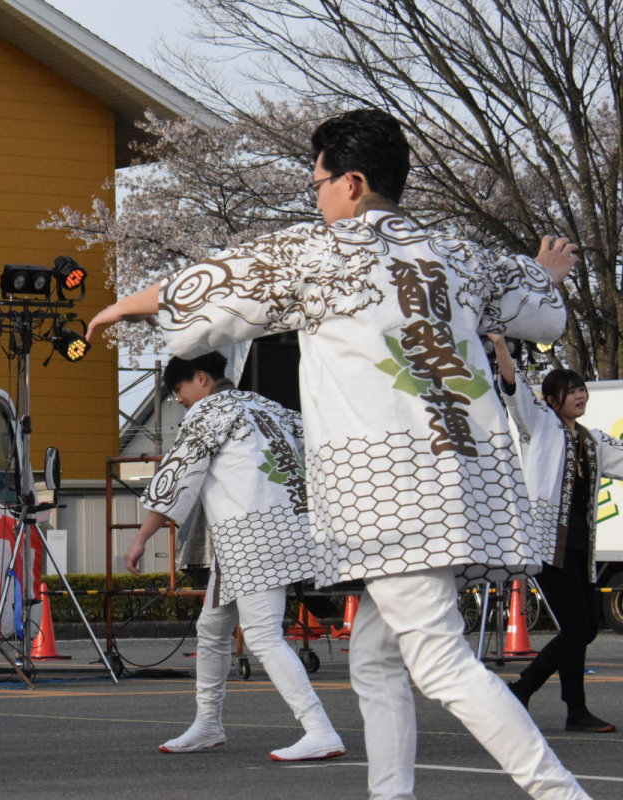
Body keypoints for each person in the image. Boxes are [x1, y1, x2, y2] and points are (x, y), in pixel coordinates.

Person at [88, 109, 588, 799]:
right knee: (379, 658)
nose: (316, 195)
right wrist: (543, 272)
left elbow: (208, 287)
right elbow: (542, 308)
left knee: (438, 661)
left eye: (318, 181)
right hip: (465, 482)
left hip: (388, 492)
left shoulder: (322, 255)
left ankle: (560, 792)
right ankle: (391, 793)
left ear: (351, 182)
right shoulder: (460, 255)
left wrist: (121, 308)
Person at [126, 352, 344, 762]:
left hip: (253, 535)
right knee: (212, 628)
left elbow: (177, 478)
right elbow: (321, 439)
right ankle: (207, 723)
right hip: (288, 526)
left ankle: (320, 729)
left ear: (201, 379)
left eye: (179, 390)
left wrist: (141, 538)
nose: (180, 400)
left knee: (262, 635)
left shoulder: (207, 414)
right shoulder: (267, 406)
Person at [491, 334, 619, 733]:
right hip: (547, 544)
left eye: (581, 389)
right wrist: (499, 346)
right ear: (550, 399)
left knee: (583, 629)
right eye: (570, 391)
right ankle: (526, 691)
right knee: (580, 628)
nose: (580, 396)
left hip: (580, 546)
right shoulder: (539, 425)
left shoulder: (592, 439)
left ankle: (570, 709)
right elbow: (513, 389)